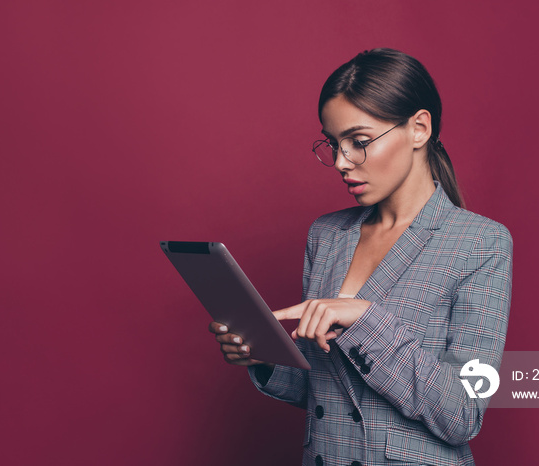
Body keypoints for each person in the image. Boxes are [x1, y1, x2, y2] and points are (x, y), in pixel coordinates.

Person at [209, 48, 512, 466]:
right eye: (333, 144)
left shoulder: (480, 243)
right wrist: (265, 358)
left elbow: (462, 413)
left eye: (359, 142)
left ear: (419, 128)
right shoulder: (327, 235)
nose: (339, 162)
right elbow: (329, 393)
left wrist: (367, 320)